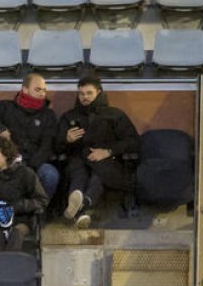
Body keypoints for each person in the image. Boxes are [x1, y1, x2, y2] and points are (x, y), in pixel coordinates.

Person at [57, 76, 141, 229]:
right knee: (78, 172)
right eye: (81, 94)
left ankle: (78, 207)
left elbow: (133, 141)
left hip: (107, 161)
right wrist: (66, 140)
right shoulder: (69, 117)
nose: (85, 97)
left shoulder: (114, 115)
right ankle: (82, 209)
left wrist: (108, 151)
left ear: (99, 92)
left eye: (89, 93)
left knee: (98, 174)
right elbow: (56, 146)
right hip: (78, 159)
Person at [0, 74, 60, 199]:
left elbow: (47, 147)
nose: (42, 94)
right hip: (9, 163)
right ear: (25, 89)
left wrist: (29, 169)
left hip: (36, 163)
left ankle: (41, 211)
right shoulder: (7, 108)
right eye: (38, 89)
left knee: (50, 174)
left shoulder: (48, 115)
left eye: (44, 90)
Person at [0, 136, 48, 253]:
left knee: (16, 234)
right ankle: (1, 267)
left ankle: (9, 268)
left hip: (21, 219)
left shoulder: (26, 173)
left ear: (6, 155)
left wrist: (15, 207)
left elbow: (41, 201)